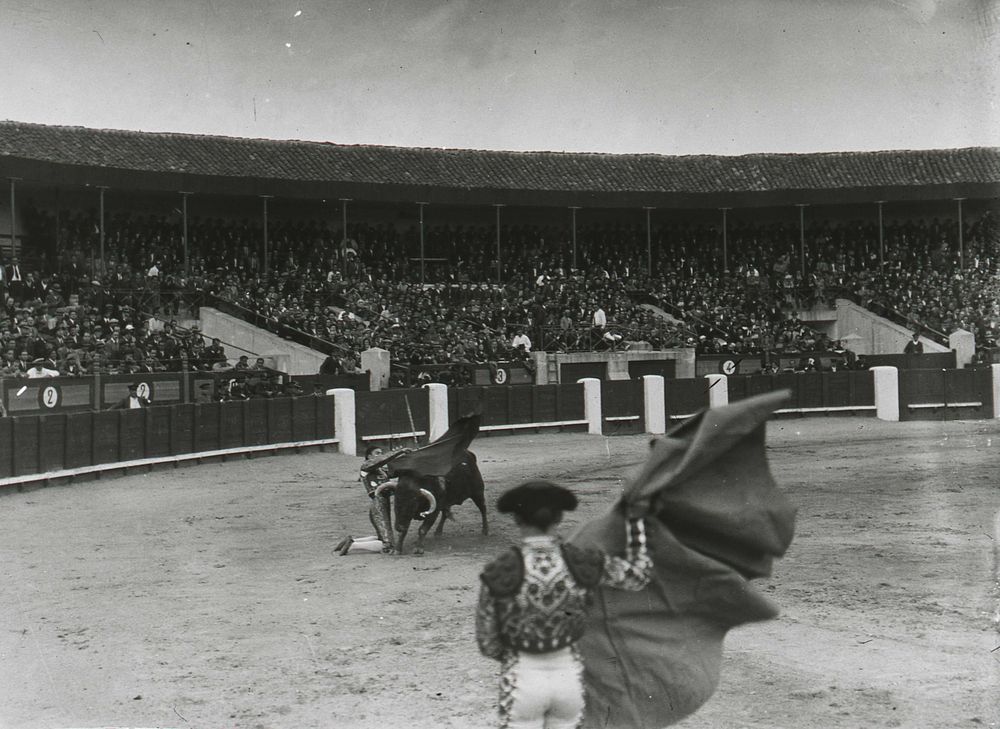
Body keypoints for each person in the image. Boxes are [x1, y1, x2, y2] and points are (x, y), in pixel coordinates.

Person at [476, 480, 652, 729]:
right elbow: (639, 576)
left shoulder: (499, 570)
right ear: (558, 518)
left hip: (522, 678)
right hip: (569, 676)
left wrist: (520, 653)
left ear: (517, 519)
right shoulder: (581, 562)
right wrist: (637, 523)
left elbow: (488, 643)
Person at [334, 444, 409, 556]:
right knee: (388, 546)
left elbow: (395, 470)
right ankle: (353, 545)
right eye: (377, 453)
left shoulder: (381, 470)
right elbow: (382, 460)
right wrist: (399, 451)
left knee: (381, 536)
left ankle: (352, 540)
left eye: (380, 452)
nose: (380, 455)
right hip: (378, 504)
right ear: (369, 456)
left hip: (381, 503)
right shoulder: (366, 465)